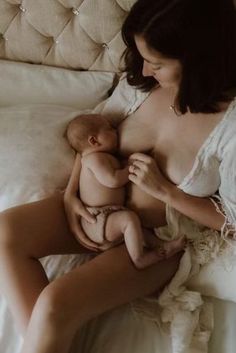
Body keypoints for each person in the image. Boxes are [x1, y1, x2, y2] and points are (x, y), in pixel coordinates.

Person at [0, 0, 235, 352]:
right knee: (5, 231)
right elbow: (88, 137)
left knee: (55, 303)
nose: (144, 68)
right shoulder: (141, 87)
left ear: (199, 59)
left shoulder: (229, 126)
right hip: (95, 212)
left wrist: (168, 193)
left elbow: (232, 220)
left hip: (150, 240)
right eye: (141, 56)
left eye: (156, 63)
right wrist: (69, 199)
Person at [66, 113, 185, 268]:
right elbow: (113, 180)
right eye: (109, 129)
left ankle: (160, 245)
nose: (115, 131)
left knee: (137, 227)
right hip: (98, 217)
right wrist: (131, 169)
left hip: (108, 215)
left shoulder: (101, 157)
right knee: (129, 220)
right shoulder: (94, 159)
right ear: (94, 140)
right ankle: (139, 259)